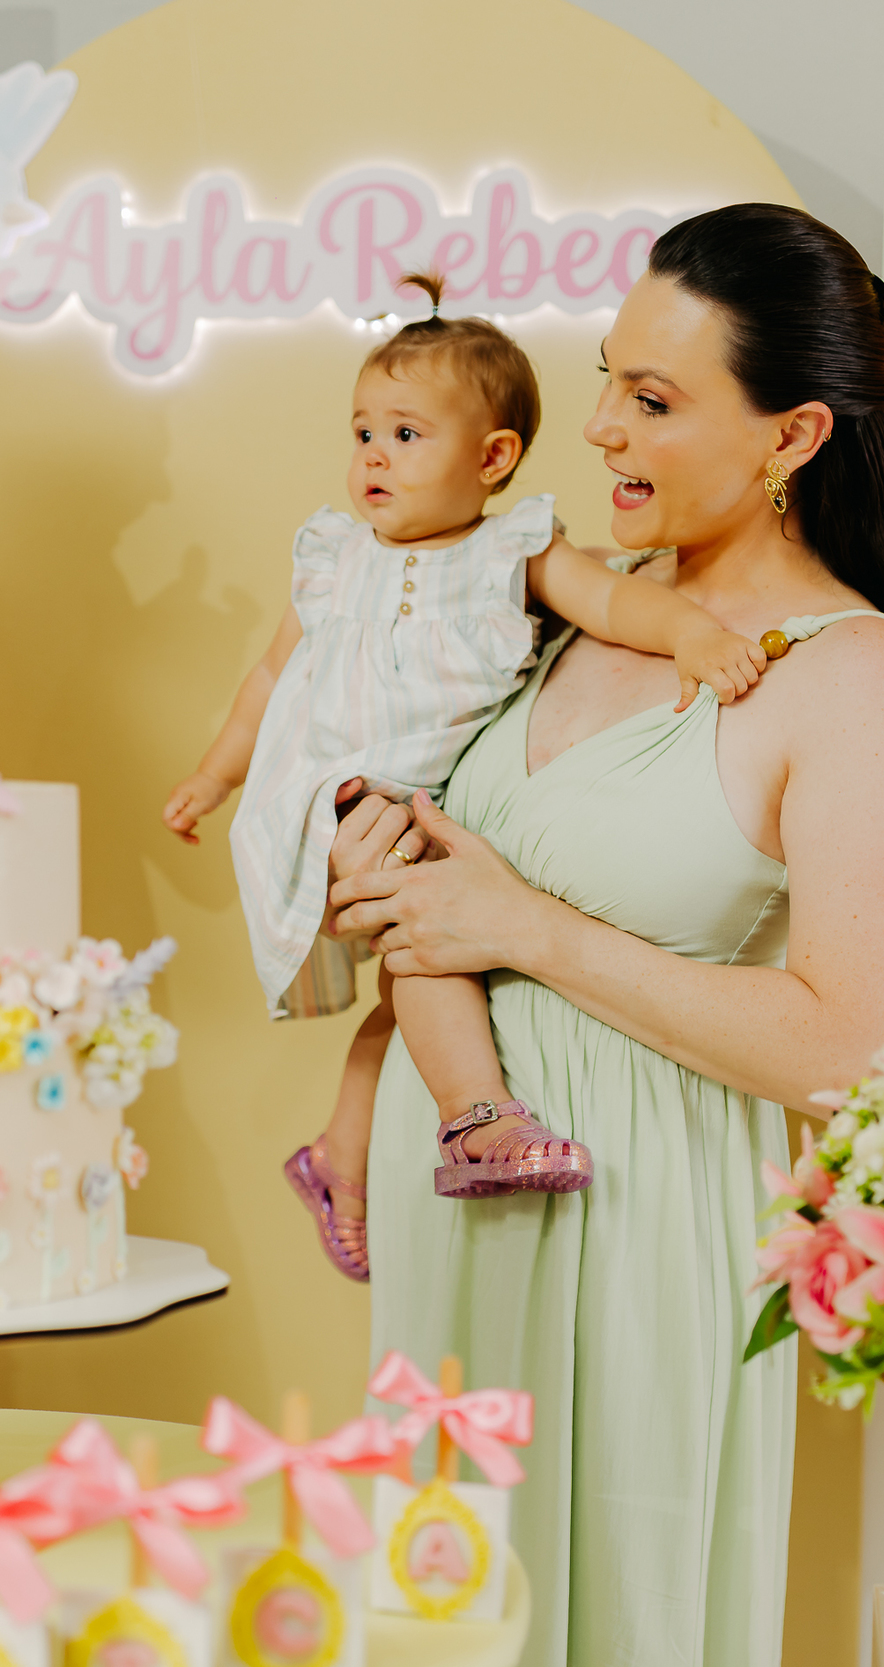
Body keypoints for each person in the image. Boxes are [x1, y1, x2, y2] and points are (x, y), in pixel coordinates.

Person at [325, 202, 884, 1667]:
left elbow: (858, 1047)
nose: (603, 427)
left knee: (604, 1653)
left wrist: (527, 925)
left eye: (657, 399)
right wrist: (359, 996)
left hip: (635, 1229)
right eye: (609, 380)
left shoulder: (845, 668)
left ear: (792, 436)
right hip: (456, 1200)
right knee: (428, 1661)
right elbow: (433, 862)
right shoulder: (558, 600)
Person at [160, 273, 768, 1282]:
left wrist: (695, 636)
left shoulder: (511, 553)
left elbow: (617, 608)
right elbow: (270, 678)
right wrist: (213, 774)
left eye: (405, 434)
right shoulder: (335, 559)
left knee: (416, 985)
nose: (373, 456)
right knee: (431, 948)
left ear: (491, 458)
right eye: (363, 432)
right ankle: (476, 1121)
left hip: (427, 802)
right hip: (342, 792)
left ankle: (337, 1153)